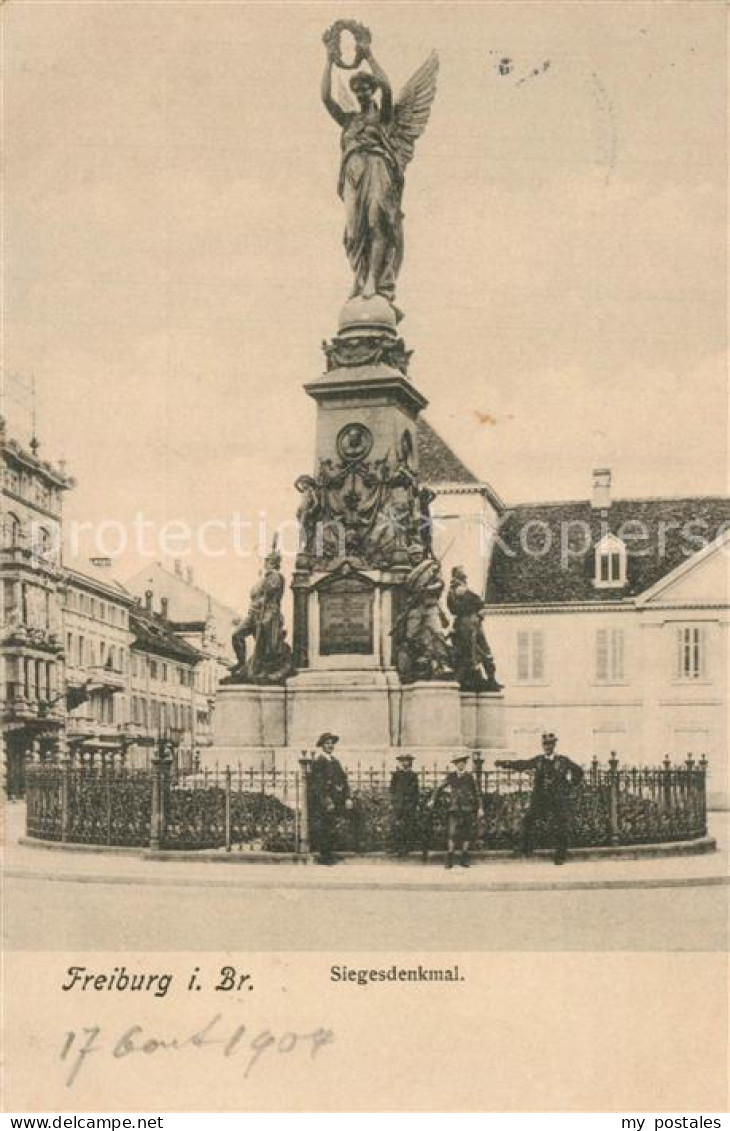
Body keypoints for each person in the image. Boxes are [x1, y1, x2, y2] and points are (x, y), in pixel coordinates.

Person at [496, 733, 584, 865]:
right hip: (540, 798)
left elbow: (578, 771)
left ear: (554, 745)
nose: (548, 747)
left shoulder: (563, 761)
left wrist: (570, 785)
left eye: (550, 744)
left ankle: (560, 855)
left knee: (561, 825)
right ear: (543, 746)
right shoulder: (539, 760)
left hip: (557, 798)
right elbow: (523, 764)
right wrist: (505, 763)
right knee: (528, 819)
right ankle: (525, 847)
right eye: (545, 744)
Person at [447, 566, 502, 692]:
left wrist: (479, 615)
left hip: (474, 622)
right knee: (470, 652)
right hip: (465, 624)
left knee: (485, 651)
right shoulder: (455, 591)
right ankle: (475, 677)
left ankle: (490, 678)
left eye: (463, 576)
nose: (464, 578)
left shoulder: (466, 592)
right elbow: (455, 607)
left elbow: (480, 606)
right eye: (461, 575)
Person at [430, 753, 481, 869]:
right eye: (459, 763)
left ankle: (464, 858)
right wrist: (432, 800)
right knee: (452, 834)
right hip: (454, 809)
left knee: (467, 835)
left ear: (465, 764)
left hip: (467, 808)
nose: (461, 765)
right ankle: (449, 859)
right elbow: (439, 787)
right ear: (456, 765)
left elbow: (477, 794)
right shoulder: (451, 776)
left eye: (463, 763)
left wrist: (480, 808)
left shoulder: (469, 777)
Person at [308, 733, 352, 865]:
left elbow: (344, 781)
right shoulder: (318, 762)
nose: (330, 745)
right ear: (322, 745)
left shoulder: (335, 762)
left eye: (332, 743)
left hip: (337, 800)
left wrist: (348, 798)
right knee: (325, 828)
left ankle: (334, 853)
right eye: (327, 743)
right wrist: (327, 801)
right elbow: (317, 785)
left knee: (334, 825)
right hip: (324, 802)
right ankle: (325, 857)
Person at [389, 753, 420, 856]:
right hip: (398, 804)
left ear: (410, 762)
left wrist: (414, 804)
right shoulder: (396, 775)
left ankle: (405, 848)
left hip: (409, 805)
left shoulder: (413, 776)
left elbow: (416, 791)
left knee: (407, 826)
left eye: (407, 761)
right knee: (395, 825)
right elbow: (392, 789)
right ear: (400, 763)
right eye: (403, 761)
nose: (405, 763)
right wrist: (392, 802)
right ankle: (396, 846)